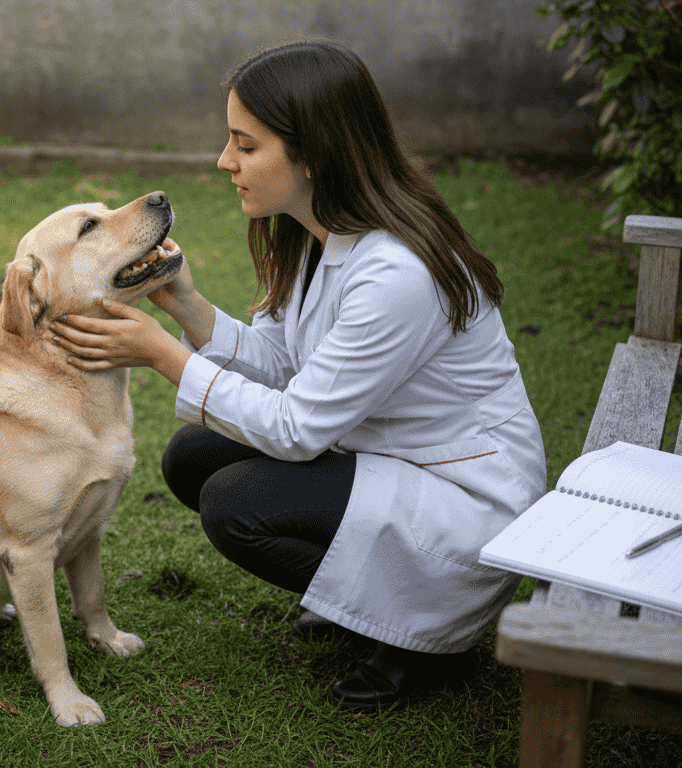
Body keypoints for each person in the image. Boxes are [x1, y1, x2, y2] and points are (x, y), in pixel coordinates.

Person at [50, 39, 547, 710]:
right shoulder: (317, 233)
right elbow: (288, 367)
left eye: (246, 146)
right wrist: (188, 308)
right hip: (389, 453)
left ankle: (425, 636)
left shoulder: (394, 272)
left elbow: (299, 428)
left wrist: (163, 354)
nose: (225, 162)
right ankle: (361, 598)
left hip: (461, 495)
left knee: (236, 503)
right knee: (193, 458)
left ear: (313, 155)